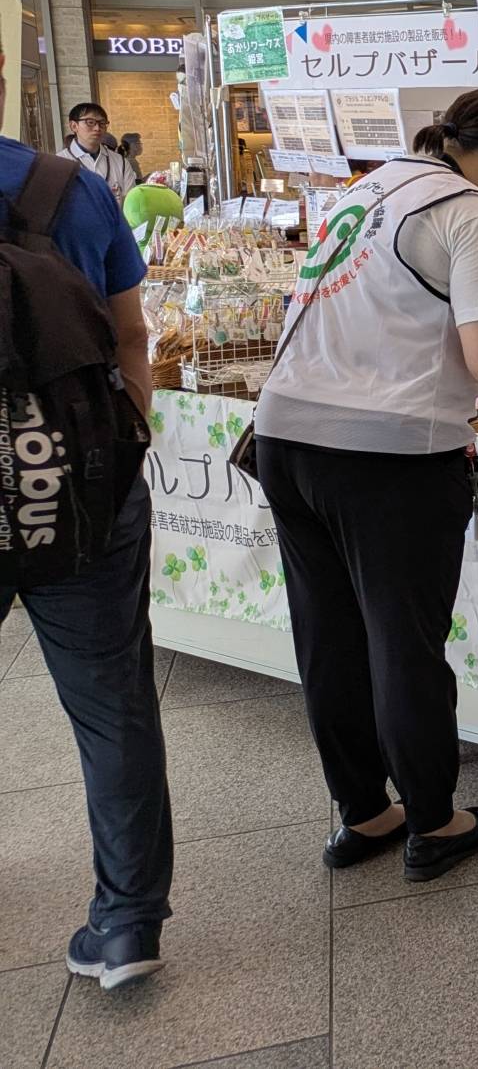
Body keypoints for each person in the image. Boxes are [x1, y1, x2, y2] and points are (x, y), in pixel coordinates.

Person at [251, 89, 478, 882]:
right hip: (390, 452)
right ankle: (435, 820)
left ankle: (363, 814)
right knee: (404, 642)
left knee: (329, 635)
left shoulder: (365, 190)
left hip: (285, 435)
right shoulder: (474, 214)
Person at [0, 134, 171, 990]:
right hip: (81, 491)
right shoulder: (68, 187)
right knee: (114, 709)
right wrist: (124, 442)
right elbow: (132, 334)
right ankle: (127, 925)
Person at [63, 104, 137, 203]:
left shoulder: (120, 162)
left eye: (102, 123)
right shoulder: (59, 163)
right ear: (74, 126)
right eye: (90, 122)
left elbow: (130, 203)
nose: (97, 128)